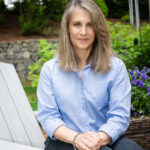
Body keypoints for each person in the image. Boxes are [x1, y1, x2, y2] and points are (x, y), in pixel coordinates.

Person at [37, 0, 142, 150]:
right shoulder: (50, 70)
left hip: (104, 136)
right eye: (77, 24)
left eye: (90, 24)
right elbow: (48, 117)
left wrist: (100, 138)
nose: (83, 32)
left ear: (98, 29)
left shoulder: (116, 67)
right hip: (64, 140)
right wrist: (76, 138)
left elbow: (119, 115)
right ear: (67, 29)